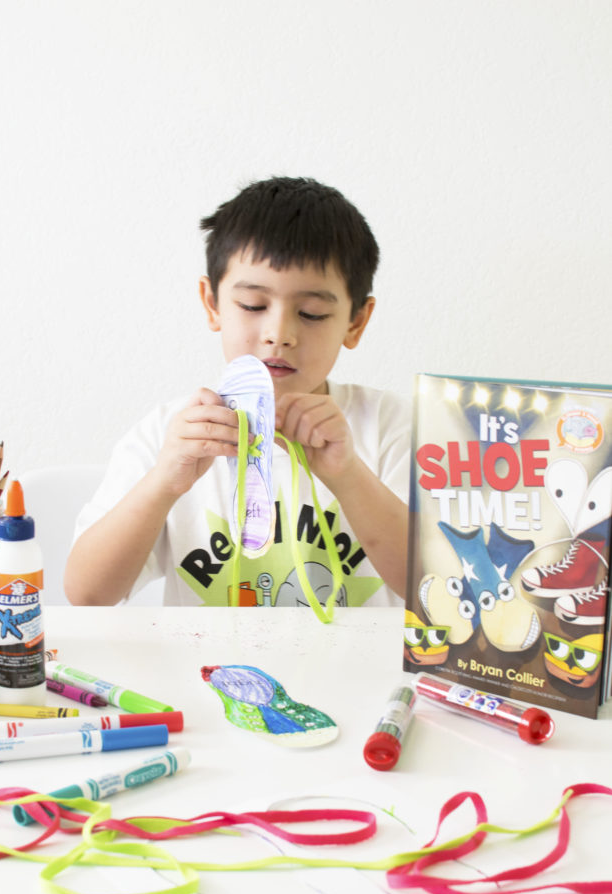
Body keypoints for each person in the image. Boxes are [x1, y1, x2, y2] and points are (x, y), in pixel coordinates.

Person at [64, 176, 411, 609]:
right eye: (252, 306)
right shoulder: (168, 436)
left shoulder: (393, 427)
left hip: (360, 678)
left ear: (356, 322)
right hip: (206, 675)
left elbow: (435, 590)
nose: (278, 334)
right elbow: (87, 593)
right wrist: (162, 484)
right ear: (212, 304)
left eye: (312, 313)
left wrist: (349, 477)